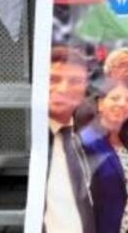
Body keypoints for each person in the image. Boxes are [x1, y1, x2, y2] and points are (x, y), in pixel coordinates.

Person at [80, 79, 128, 233]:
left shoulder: (124, 140)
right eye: (115, 98)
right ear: (100, 104)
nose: (122, 104)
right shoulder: (86, 141)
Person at [45, 46, 95, 233]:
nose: (64, 89)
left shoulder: (85, 137)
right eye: (53, 79)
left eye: (75, 81)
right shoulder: (27, 144)